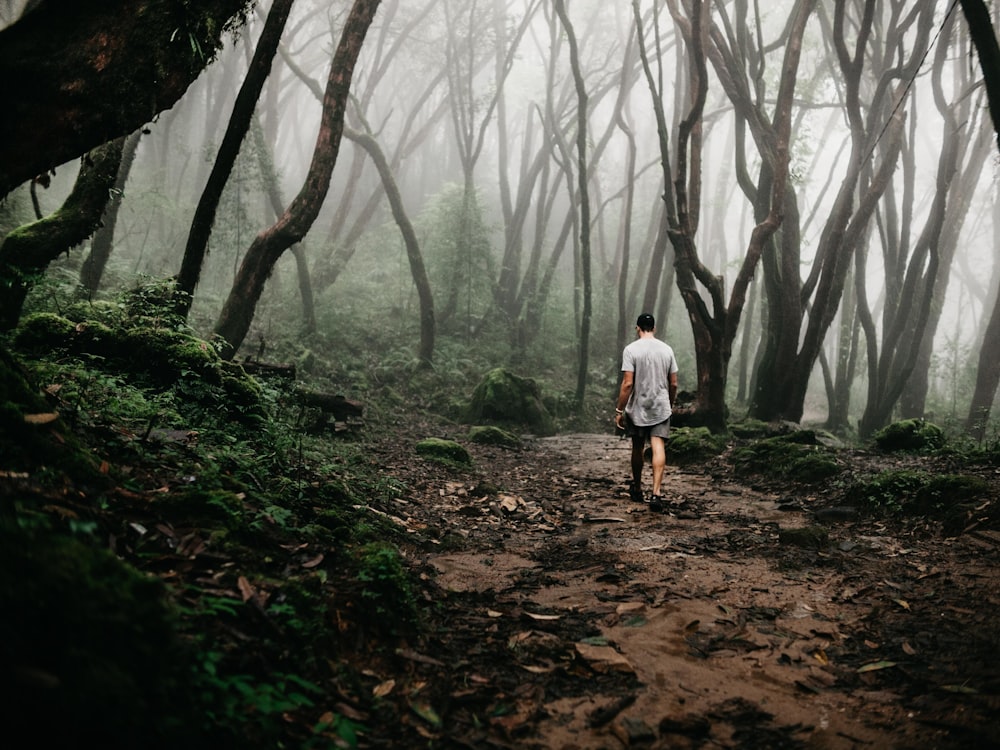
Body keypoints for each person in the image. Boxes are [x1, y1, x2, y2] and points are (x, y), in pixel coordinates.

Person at [614, 313, 678, 512]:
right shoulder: (667, 350)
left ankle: (638, 488)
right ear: (654, 328)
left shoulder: (631, 350)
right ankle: (656, 493)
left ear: (637, 328)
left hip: (638, 407)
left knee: (638, 446)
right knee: (658, 446)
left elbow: (627, 383)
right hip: (660, 405)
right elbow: (674, 383)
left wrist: (619, 410)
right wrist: (670, 402)